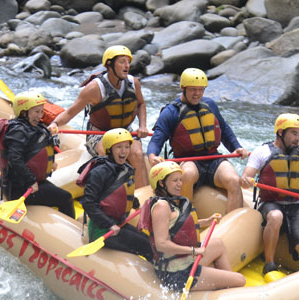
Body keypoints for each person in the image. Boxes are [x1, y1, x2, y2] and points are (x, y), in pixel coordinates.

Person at [147, 68, 249, 213]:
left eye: (201, 90)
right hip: (187, 159)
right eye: (193, 89)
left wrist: (236, 147)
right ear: (183, 88)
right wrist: (152, 155)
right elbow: (157, 139)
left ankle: (232, 221)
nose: (197, 94)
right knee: (188, 174)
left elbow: (224, 130)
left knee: (233, 179)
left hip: (213, 158)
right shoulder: (170, 112)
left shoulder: (210, 105)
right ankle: (184, 218)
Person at [48, 45, 149, 188]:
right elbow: (70, 112)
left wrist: (143, 126)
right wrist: (55, 124)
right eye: (122, 62)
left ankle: (143, 197)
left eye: (128, 62)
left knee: (138, 154)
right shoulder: (94, 88)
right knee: (110, 151)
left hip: (126, 131)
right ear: (110, 65)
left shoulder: (134, 83)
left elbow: (141, 104)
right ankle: (110, 195)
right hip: (100, 134)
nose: (127, 66)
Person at [138, 161, 246, 292]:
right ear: (161, 183)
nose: (180, 184)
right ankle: (227, 285)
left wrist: (207, 221)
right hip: (176, 274)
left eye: (180, 180)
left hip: (184, 262)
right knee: (240, 280)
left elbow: (177, 226)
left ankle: (226, 282)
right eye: (175, 181)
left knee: (218, 244)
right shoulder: (162, 207)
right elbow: (161, 244)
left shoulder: (172, 201)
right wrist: (193, 251)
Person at [239, 113, 299, 274]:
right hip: (271, 203)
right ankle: (269, 263)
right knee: (276, 216)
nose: (297, 139)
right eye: (293, 133)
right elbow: (246, 175)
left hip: (297, 204)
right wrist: (246, 180)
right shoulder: (262, 152)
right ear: (281, 132)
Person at [0, 92, 75, 218]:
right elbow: (15, 159)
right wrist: (31, 180)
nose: (40, 116)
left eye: (41, 111)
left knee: (60, 195)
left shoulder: (31, 126)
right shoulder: (17, 131)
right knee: (66, 198)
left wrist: (51, 162)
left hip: (31, 182)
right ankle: (70, 235)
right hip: (18, 187)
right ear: (24, 112)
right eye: (36, 112)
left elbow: (36, 149)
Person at [76, 128, 153, 261]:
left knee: (150, 242)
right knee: (146, 246)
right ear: (109, 149)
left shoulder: (125, 169)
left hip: (119, 223)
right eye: (119, 147)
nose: (124, 151)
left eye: (127, 147)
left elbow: (119, 194)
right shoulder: (99, 172)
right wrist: (109, 224)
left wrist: (136, 205)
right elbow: (89, 204)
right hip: (102, 230)